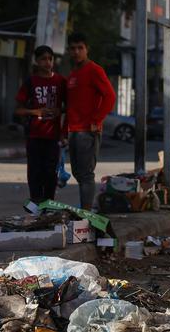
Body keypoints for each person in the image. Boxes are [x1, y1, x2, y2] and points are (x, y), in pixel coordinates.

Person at [65, 33, 116, 211]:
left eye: (80, 48)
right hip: (73, 130)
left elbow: (110, 96)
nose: (76, 52)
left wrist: (96, 119)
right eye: (73, 48)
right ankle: (84, 209)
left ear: (87, 49)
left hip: (87, 131)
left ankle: (86, 214)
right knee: (77, 173)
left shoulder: (94, 70)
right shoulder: (73, 74)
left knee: (86, 174)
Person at [14, 46, 66, 201]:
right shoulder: (31, 82)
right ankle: (35, 206)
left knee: (51, 173)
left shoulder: (60, 81)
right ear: (36, 61)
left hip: (53, 136)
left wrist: (60, 111)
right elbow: (18, 110)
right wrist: (35, 112)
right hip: (34, 135)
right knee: (35, 173)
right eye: (43, 59)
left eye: (50, 58)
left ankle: (49, 205)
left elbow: (70, 106)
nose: (47, 62)